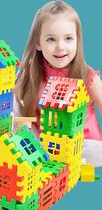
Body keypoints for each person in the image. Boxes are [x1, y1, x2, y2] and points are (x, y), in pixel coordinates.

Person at [14, 1, 102, 167]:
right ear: (38, 43)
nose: (60, 47)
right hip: (47, 147)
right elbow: (19, 114)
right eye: (51, 39)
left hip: (84, 146)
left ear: (77, 40)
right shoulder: (31, 75)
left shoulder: (88, 77)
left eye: (68, 38)